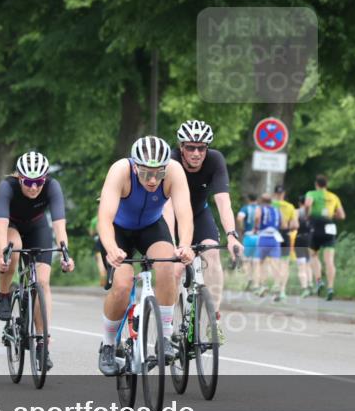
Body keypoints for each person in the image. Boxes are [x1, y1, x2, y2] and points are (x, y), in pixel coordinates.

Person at [96, 136, 195, 376]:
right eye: (146, 173)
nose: (152, 180)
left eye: (158, 174)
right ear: (134, 166)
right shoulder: (120, 170)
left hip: (150, 227)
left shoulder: (174, 171)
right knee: (121, 285)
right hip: (118, 231)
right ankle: (108, 345)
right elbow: (104, 219)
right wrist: (111, 248)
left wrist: (185, 245)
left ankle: (166, 337)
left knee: (167, 268)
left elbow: (184, 215)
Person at [0, 151, 75, 371]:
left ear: (45, 179)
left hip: (36, 227)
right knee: (13, 249)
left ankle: (43, 343)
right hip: (8, 226)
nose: (34, 188)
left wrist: (66, 254)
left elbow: (59, 227)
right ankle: (4, 294)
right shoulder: (8, 187)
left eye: (38, 182)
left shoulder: (53, 187)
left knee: (42, 283)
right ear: (19, 177)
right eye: (28, 182)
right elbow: (2, 226)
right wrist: (1, 256)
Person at [163, 120, 243, 338]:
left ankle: (214, 318)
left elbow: (223, 201)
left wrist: (232, 236)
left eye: (201, 148)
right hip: (172, 215)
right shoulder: (171, 162)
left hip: (199, 214)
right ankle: (169, 323)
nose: (196, 153)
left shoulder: (215, 160)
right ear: (181, 147)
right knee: (175, 267)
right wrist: (172, 243)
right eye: (190, 147)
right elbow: (168, 207)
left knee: (212, 252)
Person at [305, 174, 346, 301]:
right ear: (326, 185)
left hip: (316, 225)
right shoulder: (334, 197)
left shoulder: (311, 193)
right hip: (330, 226)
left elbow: (307, 204)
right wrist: (331, 214)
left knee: (313, 255)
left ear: (316, 184)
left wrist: (308, 214)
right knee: (329, 260)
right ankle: (330, 288)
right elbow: (342, 215)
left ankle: (318, 281)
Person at [253, 193, 285, 299]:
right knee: (276, 264)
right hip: (275, 238)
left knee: (259, 263)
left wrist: (256, 227)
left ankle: (261, 285)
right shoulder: (277, 210)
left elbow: (257, 217)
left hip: (263, 237)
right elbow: (284, 224)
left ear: (262, 201)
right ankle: (277, 287)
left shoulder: (260, 208)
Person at [272, 186, 298, 301]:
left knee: (274, 263)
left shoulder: (270, 204)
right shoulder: (290, 206)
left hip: (273, 234)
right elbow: (295, 225)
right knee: (285, 263)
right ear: (284, 194)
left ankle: (276, 287)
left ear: (275, 193)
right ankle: (282, 291)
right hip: (285, 235)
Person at [236, 194, 260, 292]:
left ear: (248, 199)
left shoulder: (246, 208)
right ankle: (256, 284)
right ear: (256, 199)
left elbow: (239, 218)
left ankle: (248, 280)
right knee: (256, 261)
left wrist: (241, 228)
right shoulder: (260, 208)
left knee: (246, 260)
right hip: (259, 236)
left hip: (249, 236)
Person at [293, 196, 315, 298]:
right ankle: (311, 284)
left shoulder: (297, 212)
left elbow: (295, 225)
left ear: (299, 203)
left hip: (300, 239)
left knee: (301, 265)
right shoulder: (313, 213)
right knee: (309, 263)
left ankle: (304, 288)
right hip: (311, 239)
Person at [89, 213, 107, 289]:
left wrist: (96, 232)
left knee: (101, 264)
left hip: (99, 244)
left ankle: (103, 282)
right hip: (110, 242)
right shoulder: (112, 215)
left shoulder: (94, 220)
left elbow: (91, 233)